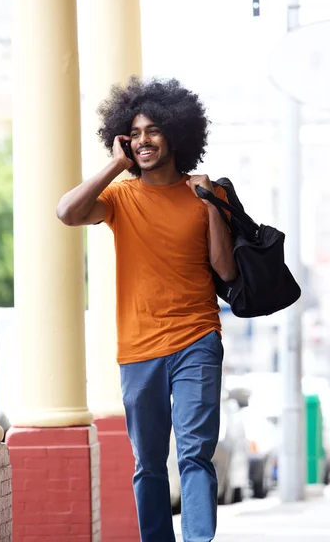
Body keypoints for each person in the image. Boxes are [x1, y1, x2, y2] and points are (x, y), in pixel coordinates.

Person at [56, 77, 237, 542]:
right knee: (149, 461)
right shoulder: (120, 198)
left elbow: (226, 272)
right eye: (133, 134)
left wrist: (212, 205)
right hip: (138, 347)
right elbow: (67, 212)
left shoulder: (204, 195)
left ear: (175, 134)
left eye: (152, 131)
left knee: (195, 453)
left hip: (197, 339)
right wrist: (114, 166)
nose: (142, 141)